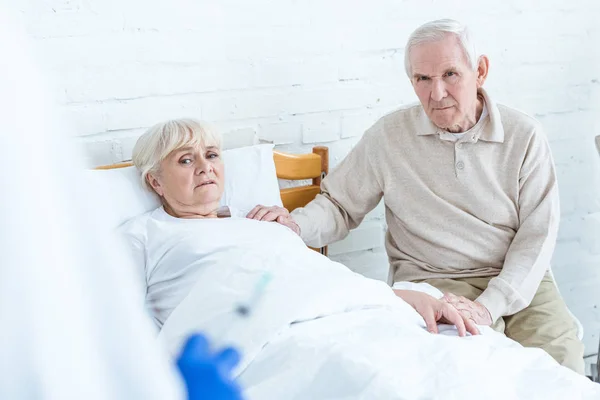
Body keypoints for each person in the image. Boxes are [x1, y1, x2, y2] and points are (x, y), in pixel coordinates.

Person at [119, 118, 600, 399]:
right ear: (154, 182)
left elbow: (318, 277)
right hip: (270, 335)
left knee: (477, 365)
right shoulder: (145, 235)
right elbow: (116, 320)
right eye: (185, 160)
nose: (205, 166)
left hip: (356, 312)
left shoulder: (259, 221)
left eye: (211, 154)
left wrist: (403, 298)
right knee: (372, 378)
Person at [250, 19, 585, 374]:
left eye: (450, 75)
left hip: (518, 280)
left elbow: (537, 235)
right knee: (474, 372)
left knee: (562, 368)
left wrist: (490, 305)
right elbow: (339, 205)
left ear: (481, 71)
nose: (436, 93)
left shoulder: (525, 135)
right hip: (434, 280)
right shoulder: (390, 136)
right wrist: (294, 224)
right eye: (422, 79)